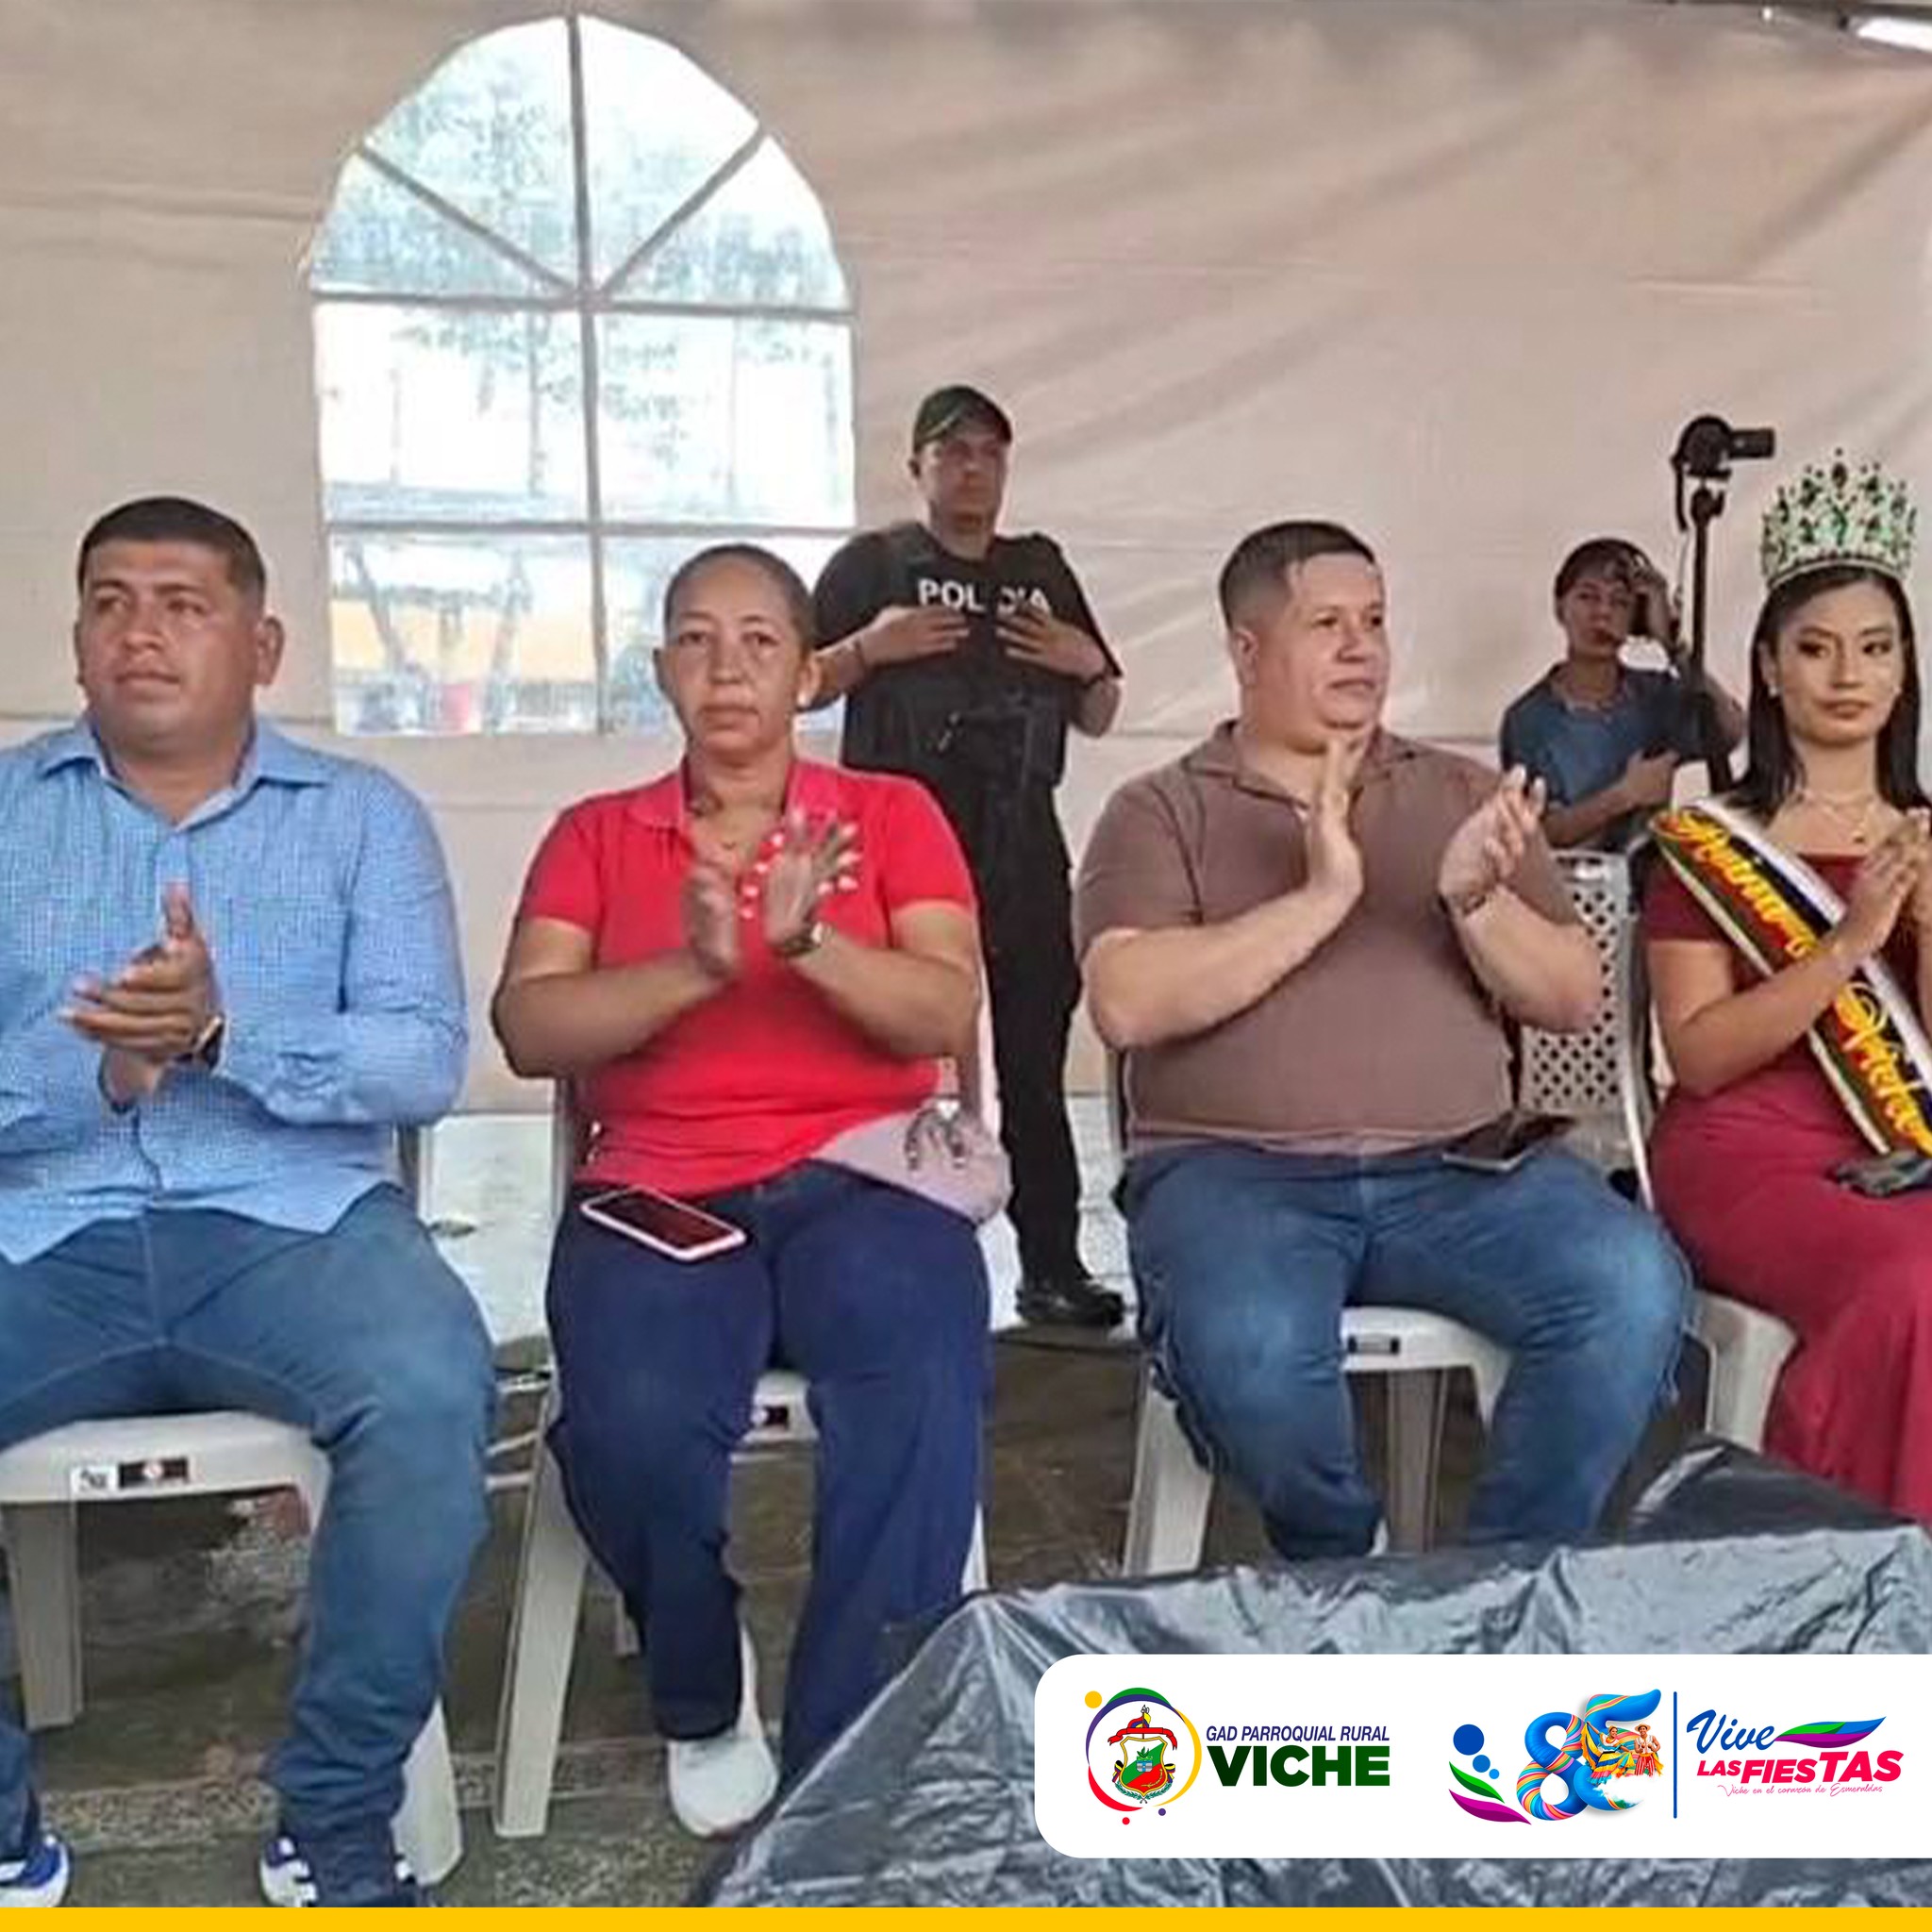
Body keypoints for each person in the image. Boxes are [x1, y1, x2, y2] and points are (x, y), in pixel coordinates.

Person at [0, 497, 493, 1908]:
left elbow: (421, 1059)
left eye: (182, 603)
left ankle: (334, 1813)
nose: (139, 632)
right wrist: (103, 1072)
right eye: (109, 601)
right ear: (76, 639)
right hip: (44, 1223)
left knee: (430, 1385)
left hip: (296, 1227)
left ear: (263, 646)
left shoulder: (361, 819)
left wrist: (223, 1036)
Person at [492, 542, 989, 1835]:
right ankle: (702, 1684)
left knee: (921, 1379)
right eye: (697, 641)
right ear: (661, 670)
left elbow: (942, 1008)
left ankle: (854, 1734)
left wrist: (808, 943)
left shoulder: (890, 816)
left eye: (760, 641)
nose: (727, 668)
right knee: (630, 1421)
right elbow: (530, 1026)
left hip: (865, 1178)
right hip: (657, 1191)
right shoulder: (597, 835)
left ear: (809, 671)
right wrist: (696, 970)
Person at [1076, 520, 1689, 1559]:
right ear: (1246, 651)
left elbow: (1571, 995)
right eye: (1326, 624)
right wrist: (1323, 897)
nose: (1361, 647)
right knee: (1250, 1348)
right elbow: (1126, 1002)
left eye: (1373, 620)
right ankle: (1344, 1563)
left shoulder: (1460, 795)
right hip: (1235, 1175)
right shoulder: (1160, 809)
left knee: (1630, 1284)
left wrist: (1474, 901)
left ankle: (1496, 1581)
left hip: (1459, 1169)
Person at [1644, 454, 1932, 1524]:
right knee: (1914, 1283)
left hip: (1906, 1143)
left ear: (1904, 670)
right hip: (1748, 1149)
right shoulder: (1708, 844)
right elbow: (1700, 1055)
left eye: (1874, 647)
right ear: (1767, 668)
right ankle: (1862, 1557)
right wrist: (1848, 942)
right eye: (1815, 648)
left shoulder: (1924, 833)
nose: (1846, 674)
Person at [810, 385, 1125, 1330]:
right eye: (952, 452)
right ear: (917, 467)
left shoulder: (1038, 569)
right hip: (897, 851)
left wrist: (1084, 660)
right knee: (878, 1056)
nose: (972, 468)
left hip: (1020, 842)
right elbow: (796, 683)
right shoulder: (873, 566)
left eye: (989, 451)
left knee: (1033, 1062)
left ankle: (1051, 1265)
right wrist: (870, 647)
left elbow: (1100, 711)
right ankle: (871, 1267)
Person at [1500, 537, 1744, 850]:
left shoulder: (1656, 696)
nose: (1603, 613)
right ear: (1560, 608)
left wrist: (1673, 646)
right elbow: (1536, 833)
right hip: (1566, 878)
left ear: (1636, 619)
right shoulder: (1527, 719)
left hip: (1648, 875)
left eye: (1619, 602)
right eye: (1588, 597)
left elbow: (1729, 732)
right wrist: (1624, 796)